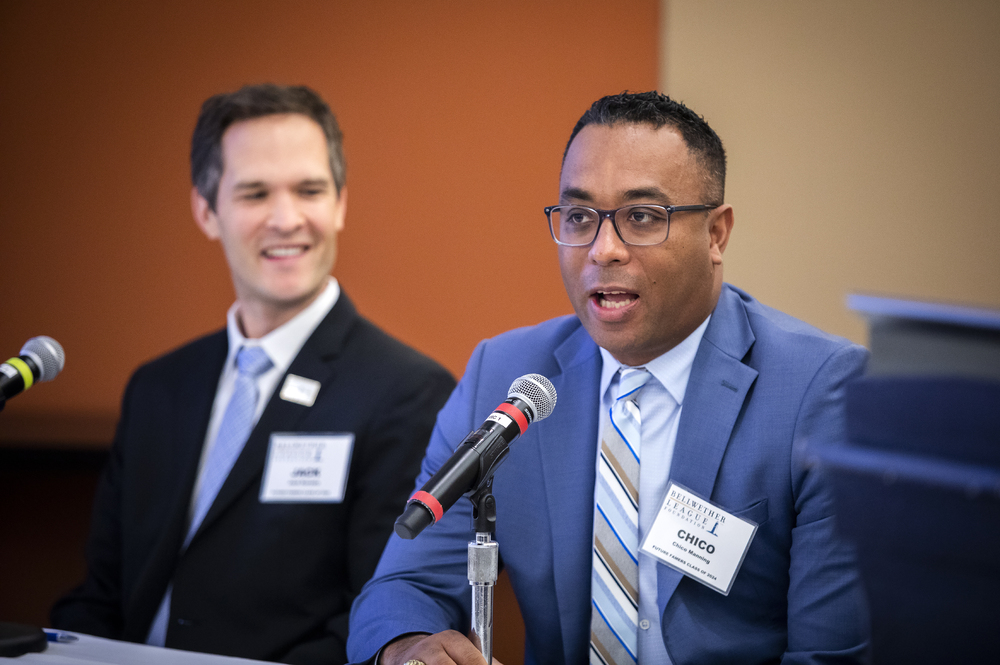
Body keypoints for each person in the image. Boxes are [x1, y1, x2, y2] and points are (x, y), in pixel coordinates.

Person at [347, 91, 869, 664]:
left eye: (642, 217)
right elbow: (406, 585)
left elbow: (832, 654)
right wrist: (406, 649)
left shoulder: (819, 390)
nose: (604, 250)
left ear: (717, 235)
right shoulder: (504, 374)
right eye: (579, 217)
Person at [51, 83, 456, 664]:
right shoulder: (158, 388)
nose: (286, 219)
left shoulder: (408, 393)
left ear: (340, 203)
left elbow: (375, 616)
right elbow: (100, 595)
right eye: (255, 192)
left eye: (310, 190)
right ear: (206, 210)